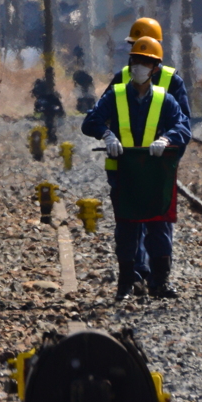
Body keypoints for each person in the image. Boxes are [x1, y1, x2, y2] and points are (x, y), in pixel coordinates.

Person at [82, 35, 190, 300]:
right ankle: (127, 282)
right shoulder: (116, 95)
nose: (138, 66)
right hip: (126, 172)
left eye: (145, 62)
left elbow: (183, 127)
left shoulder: (165, 99)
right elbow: (90, 122)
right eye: (135, 61)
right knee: (127, 227)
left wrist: (167, 139)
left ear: (155, 69)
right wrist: (107, 136)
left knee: (158, 226)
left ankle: (160, 283)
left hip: (155, 173)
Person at [106, 17, 192, 124]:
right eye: (134, 45)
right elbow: (101, 114)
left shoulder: (172, 80)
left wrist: (167, 138)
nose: (138, 50)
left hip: (162, 140)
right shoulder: (122, 76)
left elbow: (183, 122)